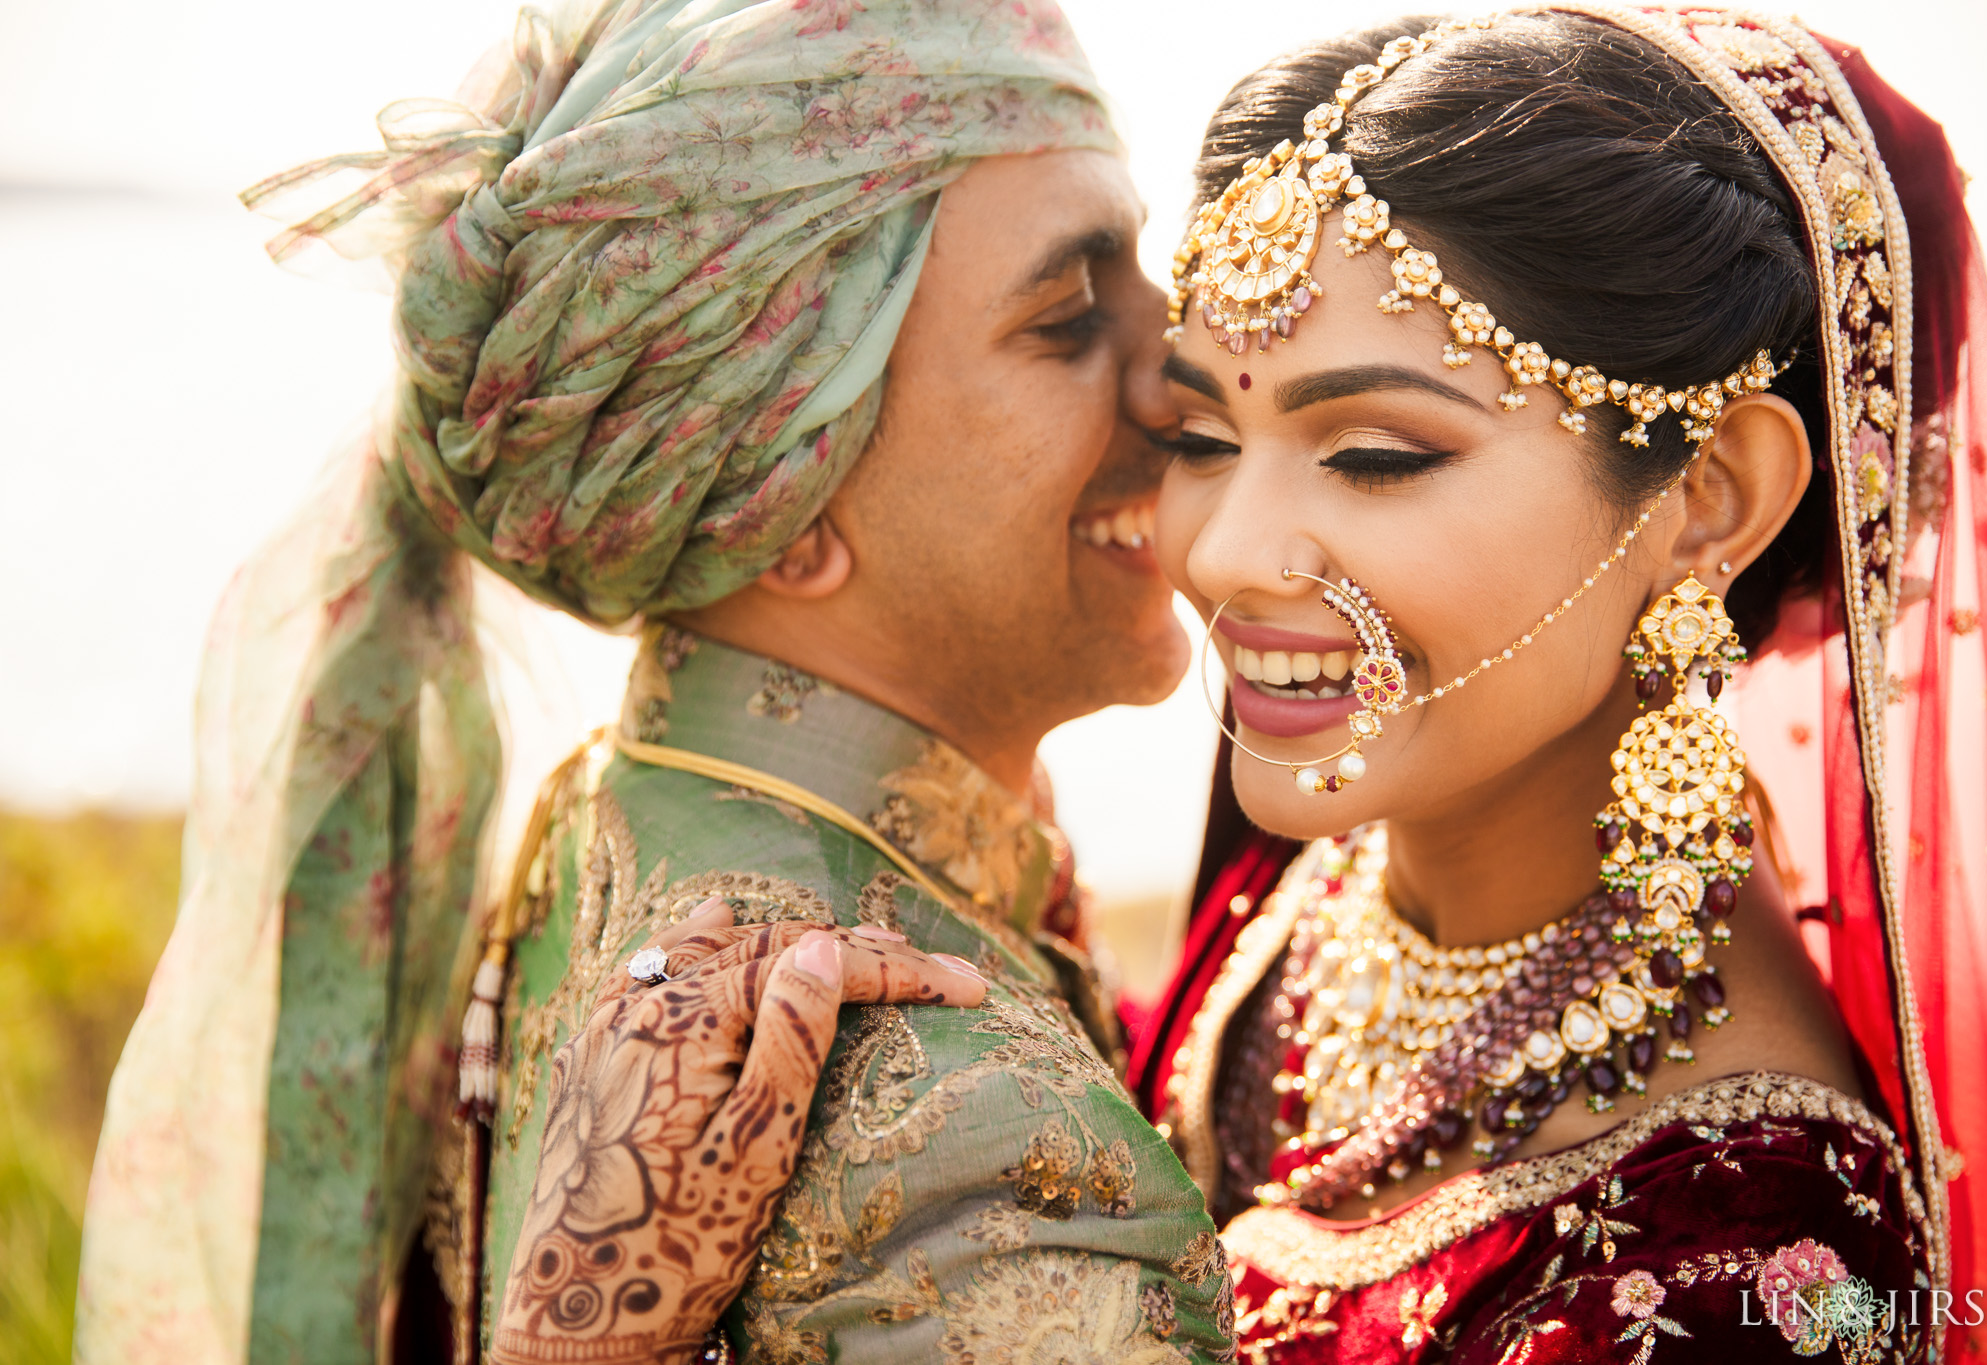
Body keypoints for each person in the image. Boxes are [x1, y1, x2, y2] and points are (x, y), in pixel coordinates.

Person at [617, 6, 1987, 1362]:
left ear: (1709, 499)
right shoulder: (1320, 887)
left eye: (1375, 455)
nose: (1224, 553)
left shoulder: (1739, 1260)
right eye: (1199, 432)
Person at [75, 2, 1236, 1362]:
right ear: (783, 502)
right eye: (1068, 317)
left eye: (1147, 269)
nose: (1195, 361)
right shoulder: (984, 1154)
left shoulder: (608, 811)